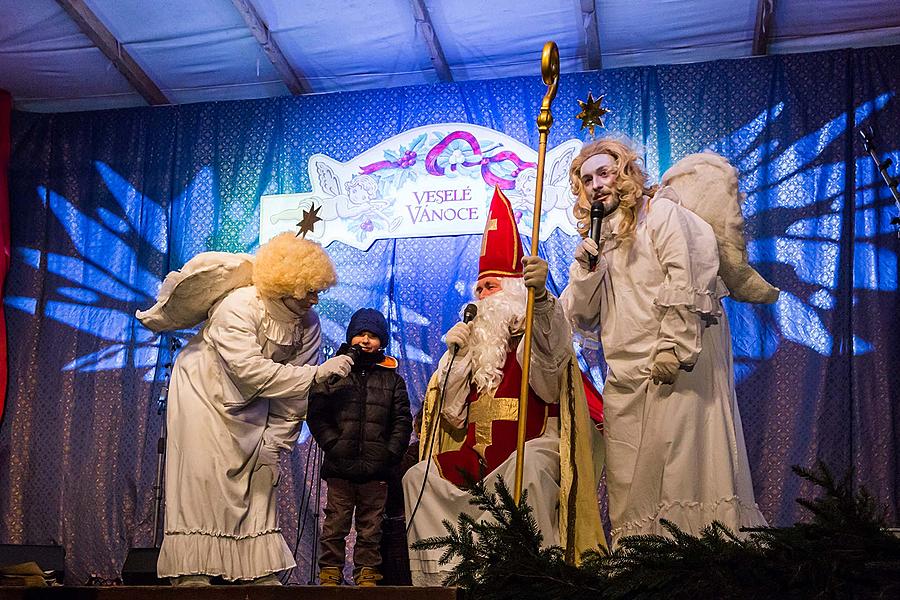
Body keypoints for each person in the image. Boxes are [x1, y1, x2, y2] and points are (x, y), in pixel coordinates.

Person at [560, 138, 767, 546]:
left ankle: (695, 567)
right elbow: (581, 314)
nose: (596, 184)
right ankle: (641, 568)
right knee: (631, 485)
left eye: (604, 172)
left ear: (625, 173)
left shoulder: (662, 214)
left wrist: (673, 346)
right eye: (586, 179)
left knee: (682, 475)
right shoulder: (598, 242)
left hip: (675, 368)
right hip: (626, 377)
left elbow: (690, 275)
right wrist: (585, 272)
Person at [403, 187, 604, 586]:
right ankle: (442, 581)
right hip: (477, 455)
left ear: (515, 292)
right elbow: (451, 414)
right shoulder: (470, 347)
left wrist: (543, 299)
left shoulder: (534, 335)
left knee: (529, 466)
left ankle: (534, 576)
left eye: (490, 287)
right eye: (478, 289)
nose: (481, 297)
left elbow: (548, 381)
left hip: (531, 445)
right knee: (417, 477)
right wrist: (456, 359)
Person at [155, 233, 354, 586]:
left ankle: (252, 567)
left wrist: (276, 443)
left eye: (318, 290)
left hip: (256, 399)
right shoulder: (239, 306)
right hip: (204, 393)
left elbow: (295, 397)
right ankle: (194, 568)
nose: (314, 298)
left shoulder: (308, 324)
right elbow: (248, 373)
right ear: (287, 283)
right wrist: (316, 375)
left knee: (258, 479)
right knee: (203, 476)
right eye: (308, 289)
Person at [307, 308, 412, 587]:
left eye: (373, 336)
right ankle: (330, 571)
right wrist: (333, 443)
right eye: (360, 334)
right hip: (340, 467)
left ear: (383, 342)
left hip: (376, 470)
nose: (366, 341)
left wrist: (389, 454)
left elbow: (402, 421)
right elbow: (316, 413)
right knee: (335, 524)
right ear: (350, 337)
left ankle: (367, 572)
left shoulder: (392, 380)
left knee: (371, 527)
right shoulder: (335, 373)